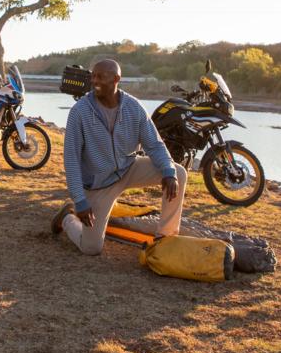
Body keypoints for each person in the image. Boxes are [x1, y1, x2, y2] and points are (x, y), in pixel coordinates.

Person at [52, 59, 187, 254]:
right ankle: (67, 218)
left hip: (128, 168)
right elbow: (71, 160)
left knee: (178, 173)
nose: (95, 81)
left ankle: (165, 238)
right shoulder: (79, 112)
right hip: (99, 184)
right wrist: (80, 201)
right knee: (91, 248)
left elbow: (154, 144)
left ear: (116, 79)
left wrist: (168, 171)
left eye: (101, 76)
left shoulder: (134, 107)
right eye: (93, 76)